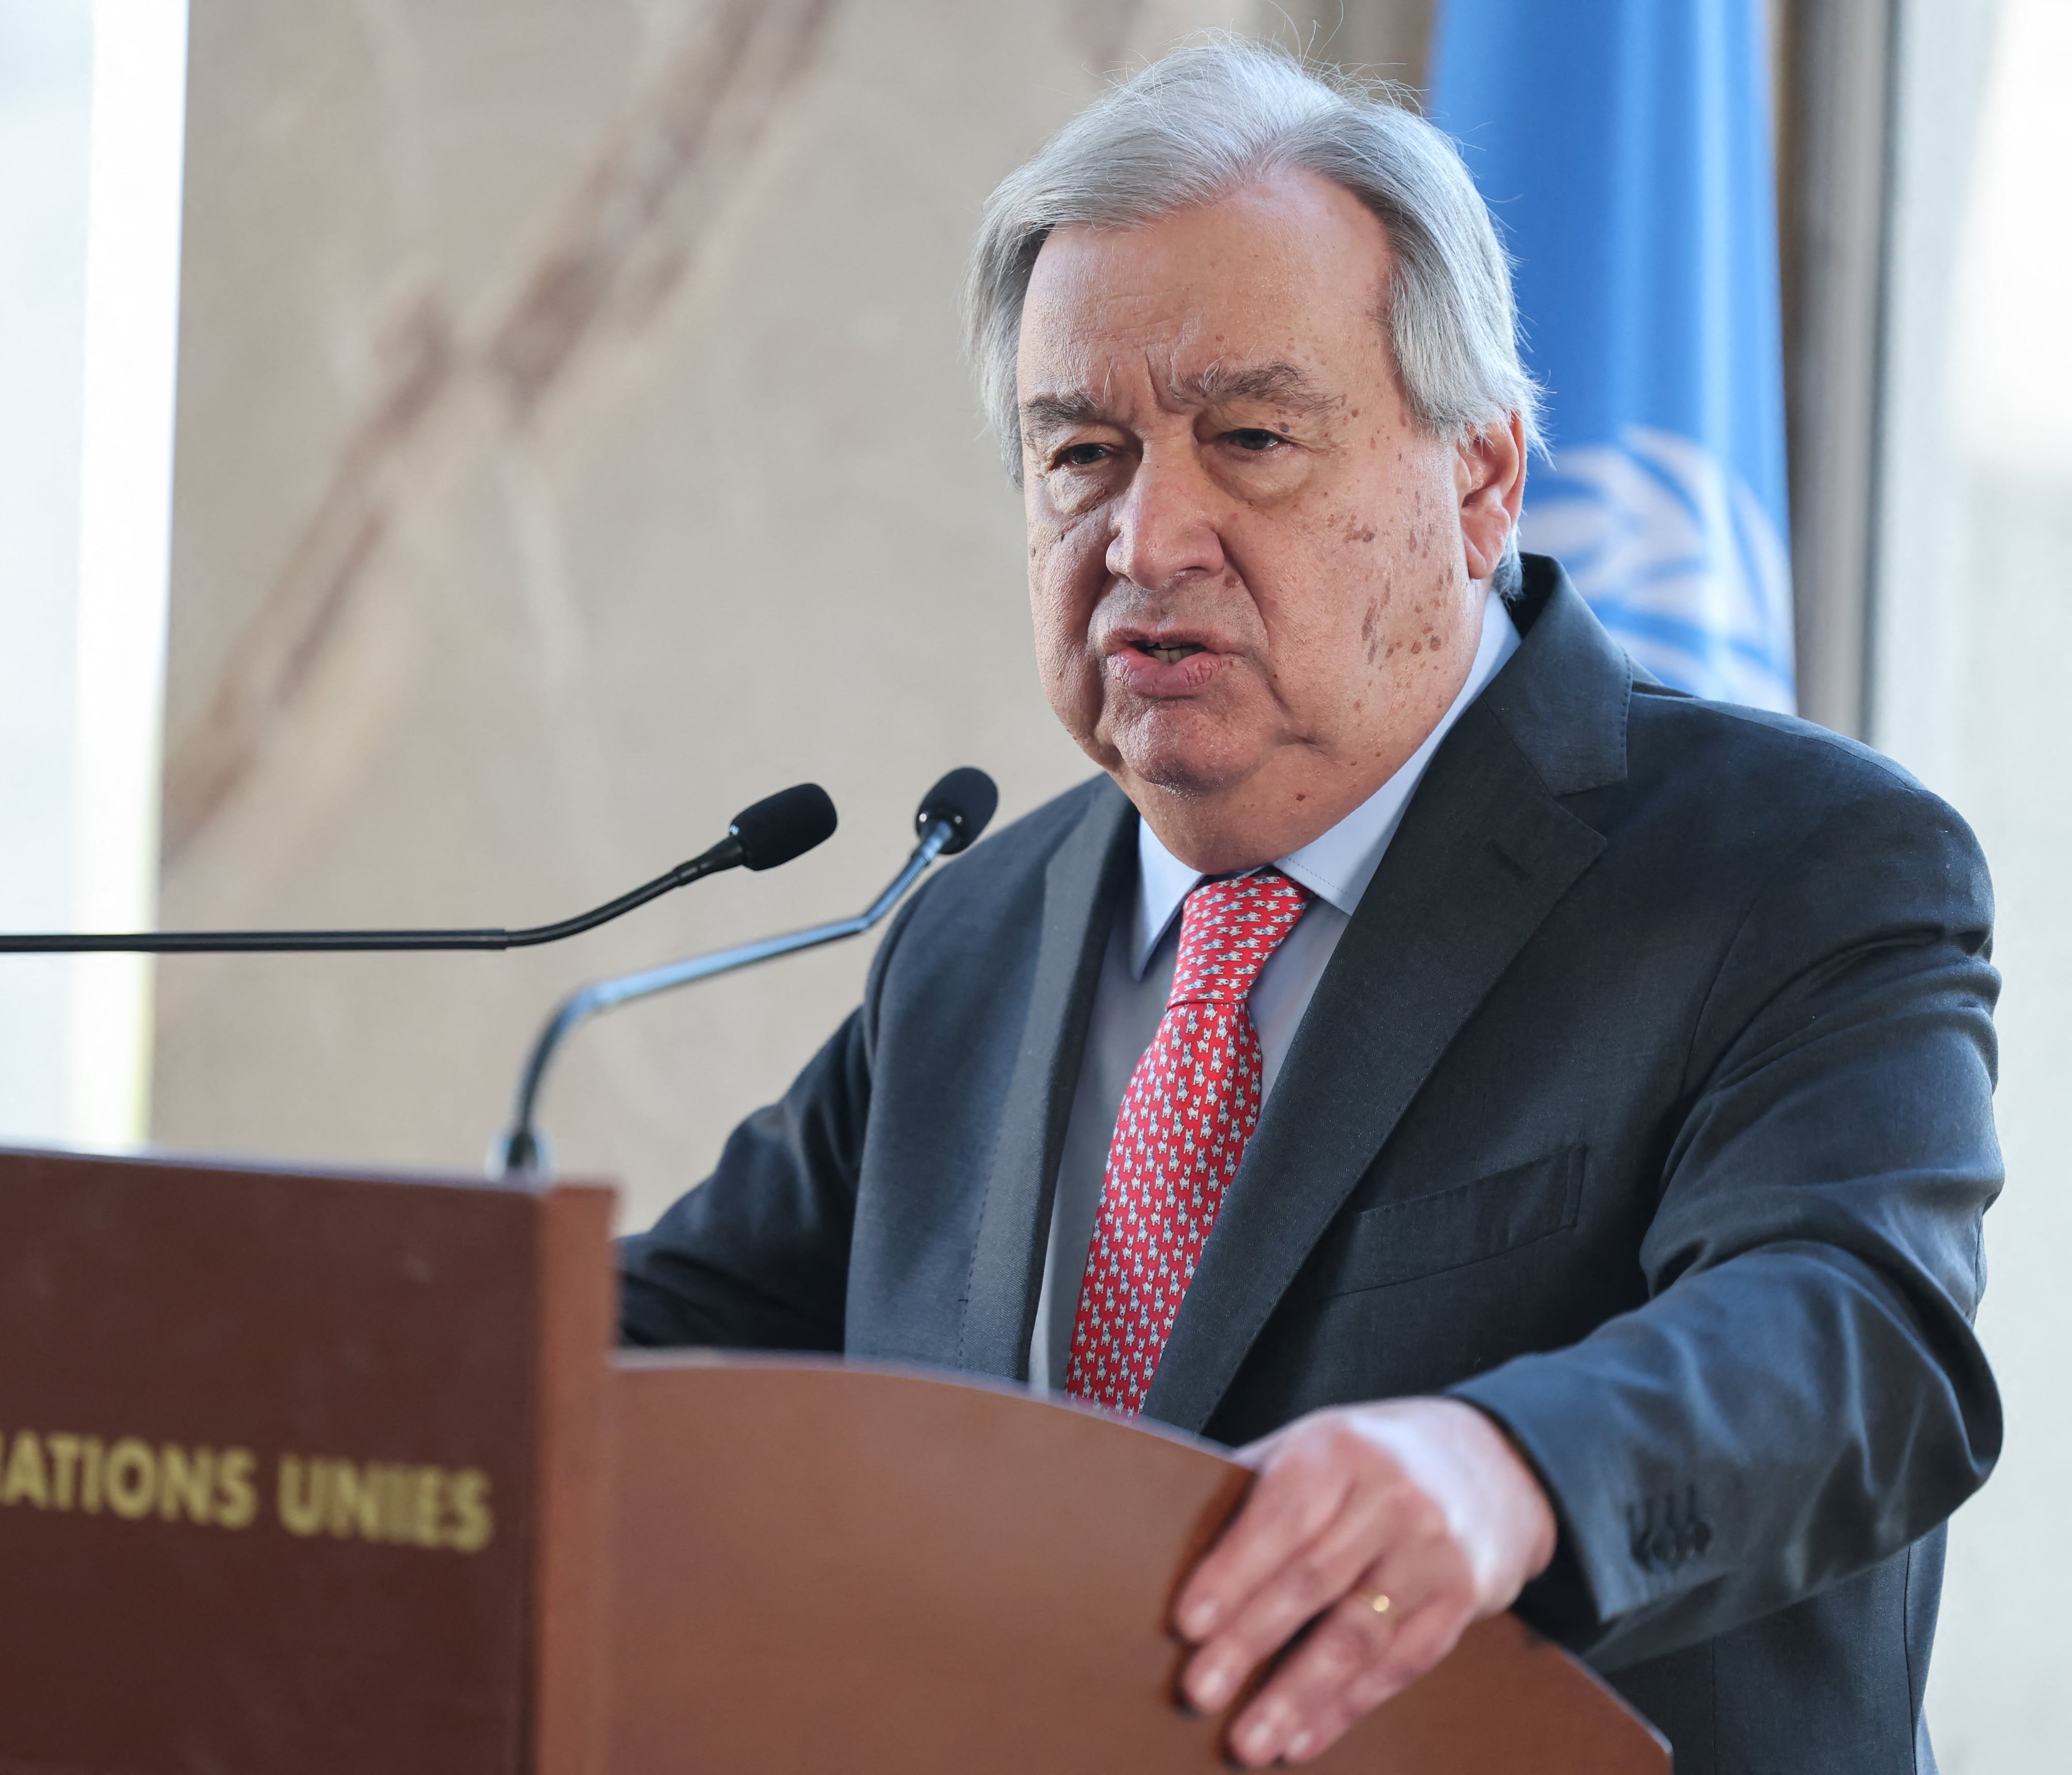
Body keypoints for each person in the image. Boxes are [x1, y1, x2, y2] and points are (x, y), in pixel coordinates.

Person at [617, 38, 2001, 1775]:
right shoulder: (975, 936)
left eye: (1252, 438)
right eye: (1082, 455)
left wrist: (1506, 1471)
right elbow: (631, 1368)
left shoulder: (1790, 868)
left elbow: (1857, 1339)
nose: (1147, 537)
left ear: (1480, 482)